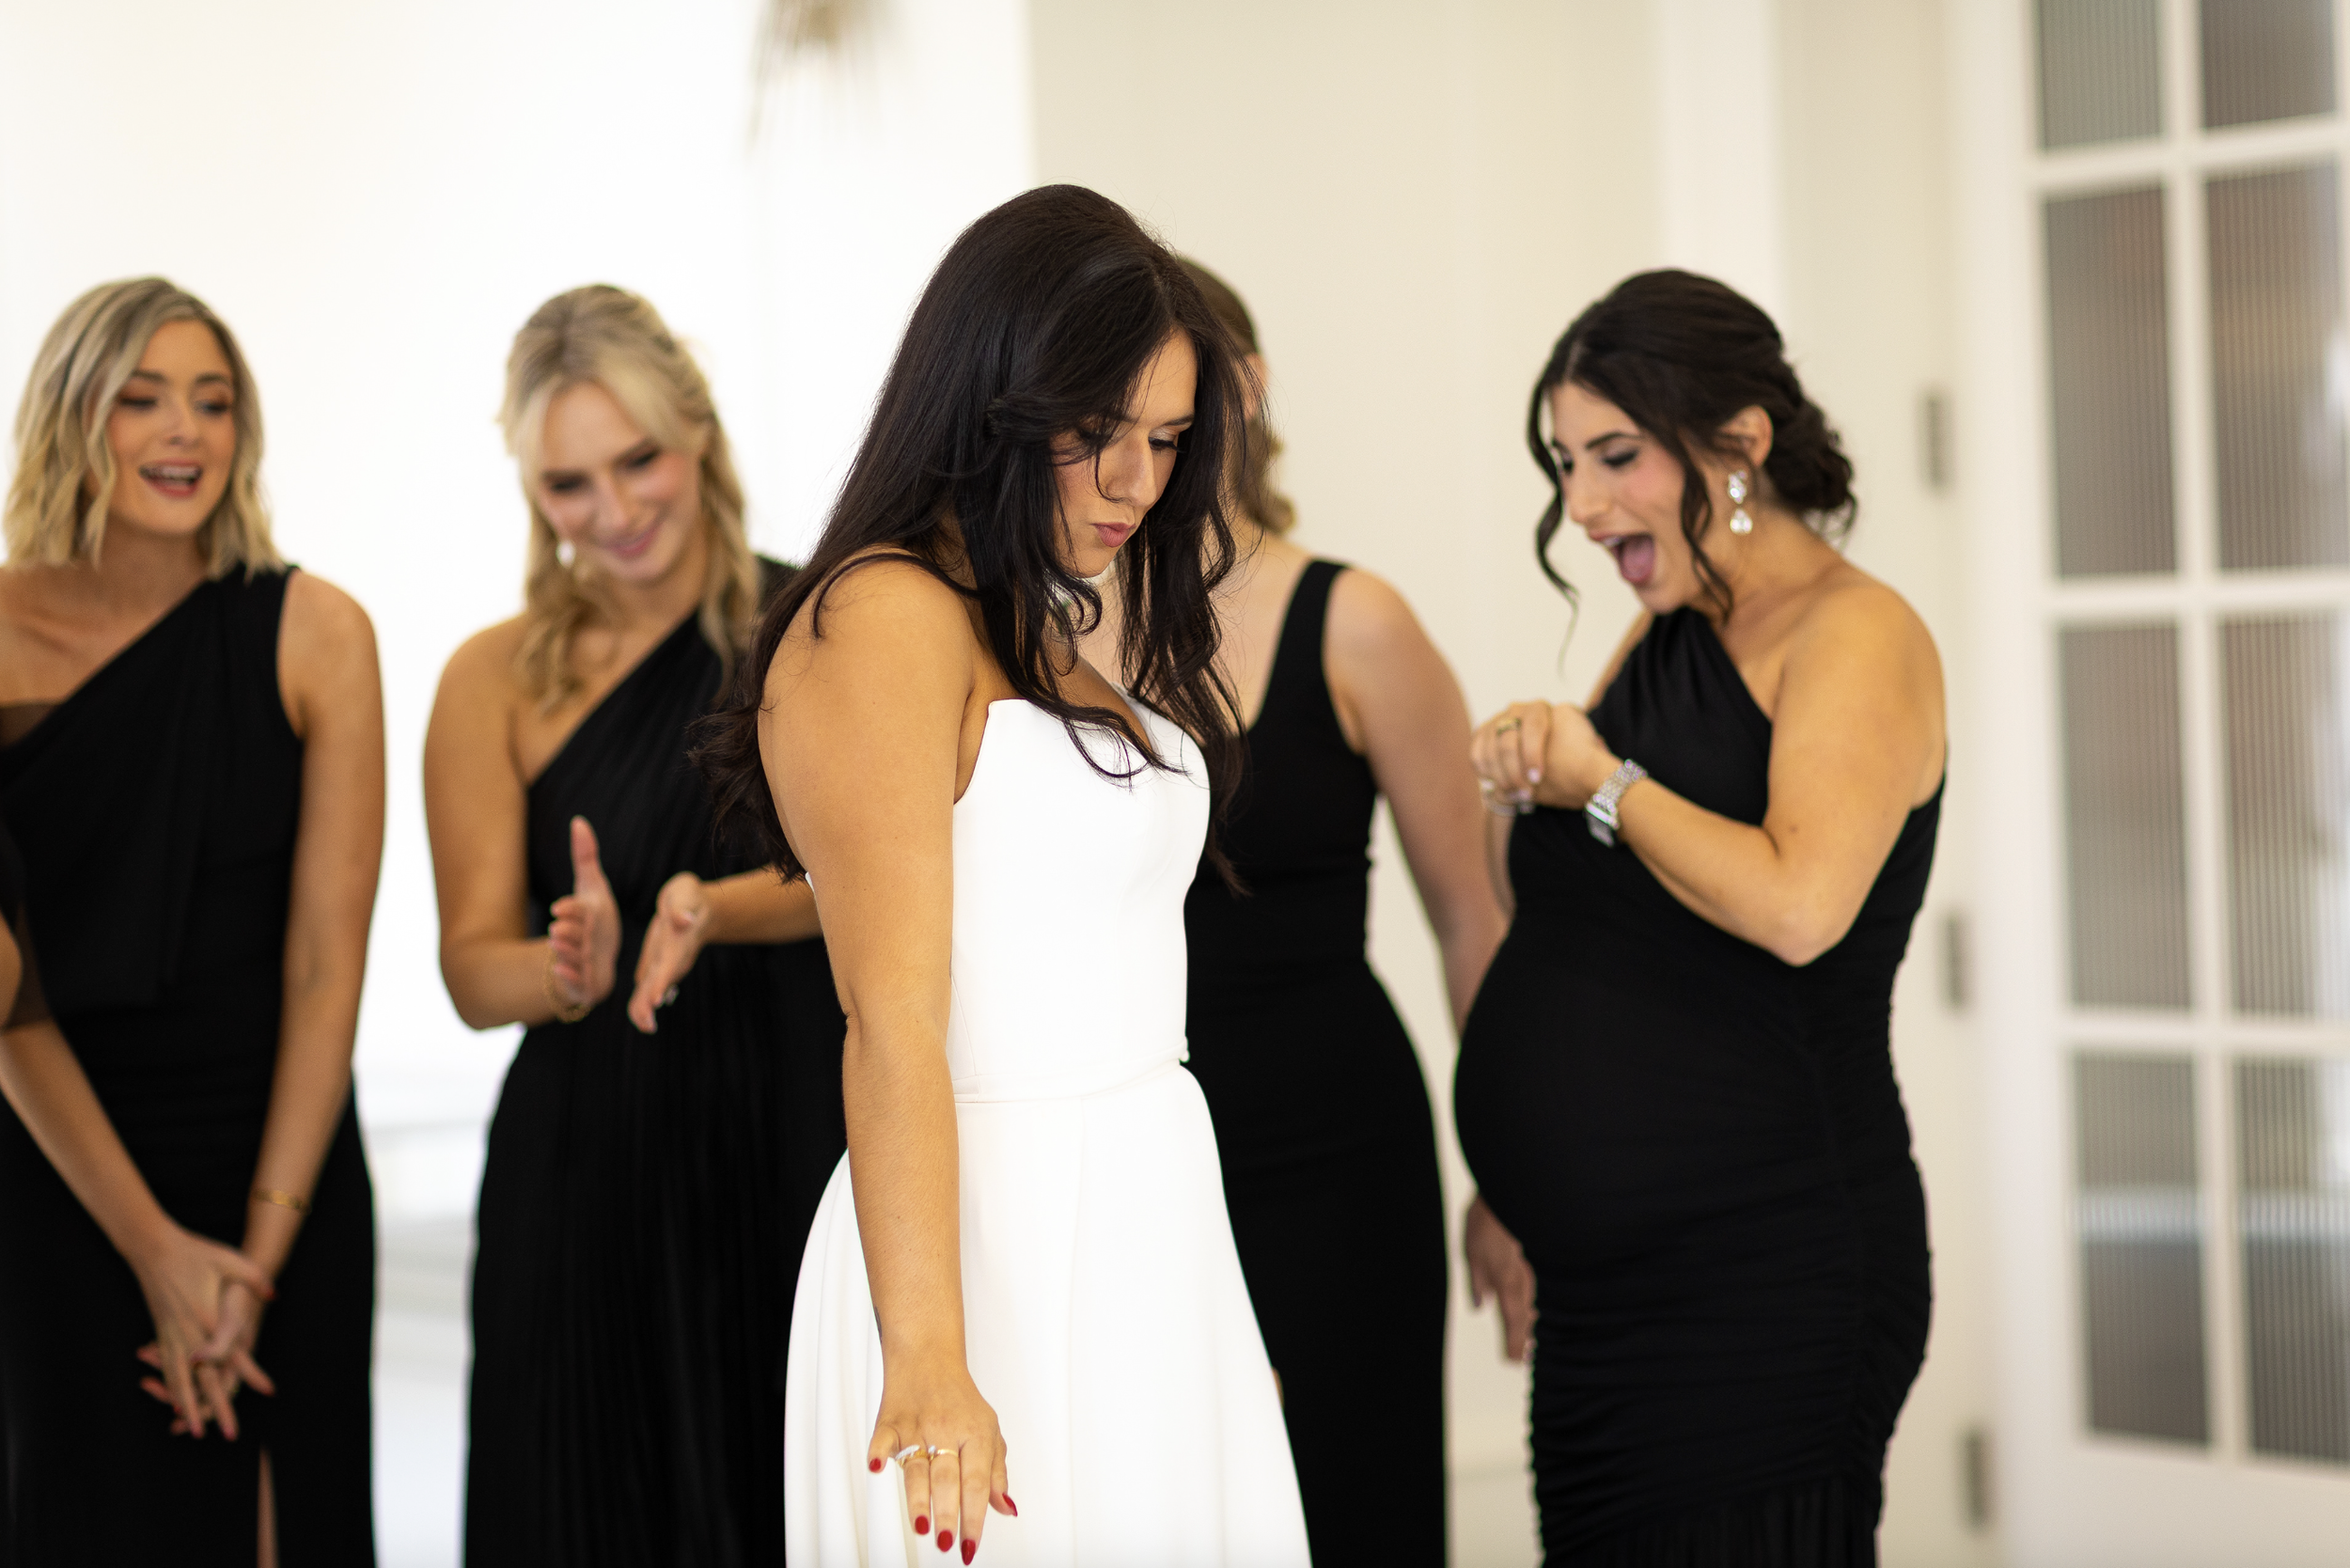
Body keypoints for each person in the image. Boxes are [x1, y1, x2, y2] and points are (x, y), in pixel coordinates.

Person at [698, 184, 1311, 1566]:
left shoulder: (1028, 616)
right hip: (984, 1247)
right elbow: (891, 1015)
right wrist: (926, 1358)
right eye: (1095, 435)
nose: (1137, 484)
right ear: (990, 396)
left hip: (1146, 1209)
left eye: (1164, 441)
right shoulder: (880, 619)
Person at [1455, 270, 1944, 1564]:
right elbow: (1579, 916)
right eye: (1566, 464)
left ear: (1738, 442)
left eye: (1616, 455)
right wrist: (1529, 784)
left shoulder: (1856, 634)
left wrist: (1599, 779)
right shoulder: (1667, 632)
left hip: (1763, 1288)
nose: (1582, 504)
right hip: (1611, 1303)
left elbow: (1797, 906)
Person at [1078, 260, 1502, 1564]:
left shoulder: (1355, 623)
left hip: (1333, 1156)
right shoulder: (1058, 623)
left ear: (1244, 396)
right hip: (1129, 1155)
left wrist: (1511, 1174)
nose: (1143, 459)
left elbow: (1473, 919)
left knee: (1348, 1503)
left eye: (1175, 416)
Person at [423, 284, 847, 1567]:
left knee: (775, 1491)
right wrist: (565, 973)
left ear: (699, 433)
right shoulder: (492, 677)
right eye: (568, 485)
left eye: (639, 459)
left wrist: (712, 909)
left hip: (785, 1132)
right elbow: (468, 966)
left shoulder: (821, 626)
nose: (613, 512)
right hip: (586, 1162)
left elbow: (880, 882)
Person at [0, 278, 384, 1563]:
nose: (187, 433)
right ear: (70, 416)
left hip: (280, 1160)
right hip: (58, 1175)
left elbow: (328, 968)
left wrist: (253, 1263)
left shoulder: (317, 631)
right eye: (143, 398)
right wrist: (155, 1251)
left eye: (214, 402)